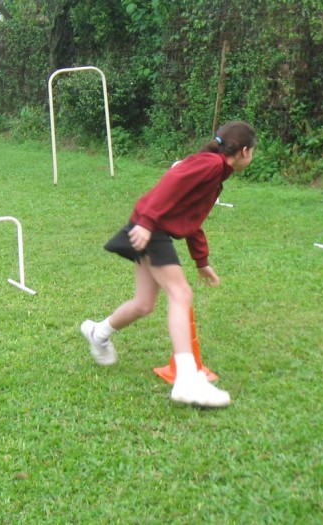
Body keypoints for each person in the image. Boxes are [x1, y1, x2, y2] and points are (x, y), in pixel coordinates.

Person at [80, 121, 257, 408]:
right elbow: (170, 182)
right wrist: (147, 222)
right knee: (181, 294)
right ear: (245, 151)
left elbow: (191, 218)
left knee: (143, 304)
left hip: (148, 227)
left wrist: (201, 261)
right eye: (253, 152)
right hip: (151, 229)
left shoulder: (215, 174)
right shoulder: (210, 165)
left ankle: (97, 333)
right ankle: (186, 379)